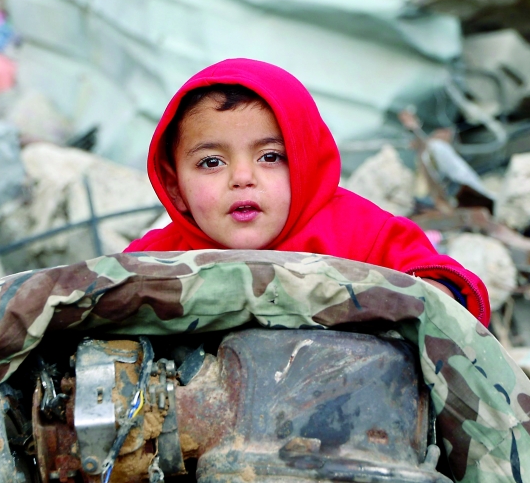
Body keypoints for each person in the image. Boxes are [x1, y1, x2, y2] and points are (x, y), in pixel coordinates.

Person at [126, 58, 491, 326]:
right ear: (175, 187)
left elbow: (450, 284)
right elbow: (105, 296)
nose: (242, 178)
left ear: (306, 163)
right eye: (211, 162)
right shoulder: (159, 260)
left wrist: (428, 297)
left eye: (270, 156)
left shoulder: (358, 232)